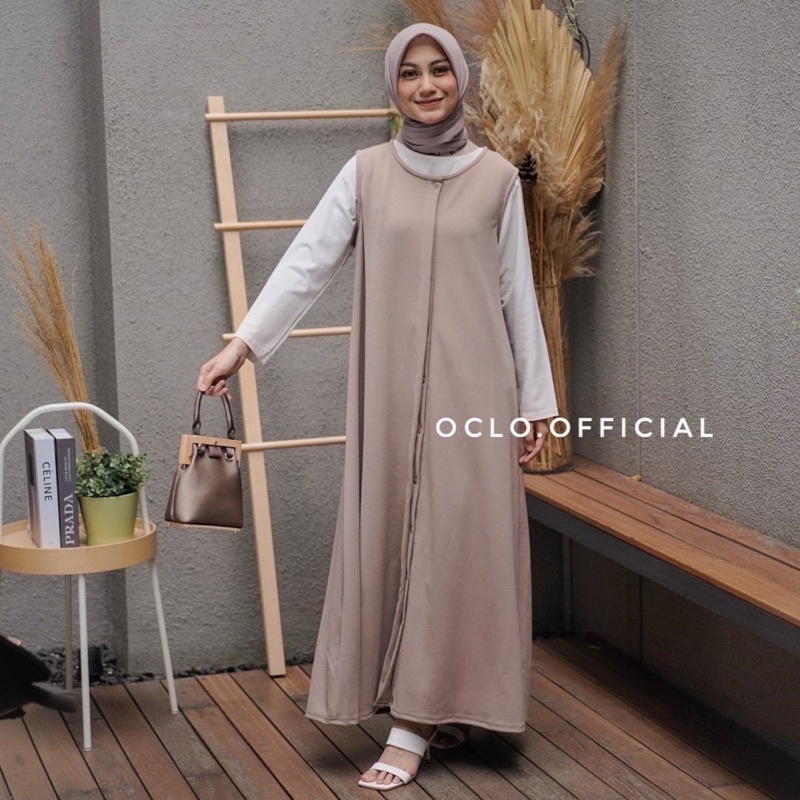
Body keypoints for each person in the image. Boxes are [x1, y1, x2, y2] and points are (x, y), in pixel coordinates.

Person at [197, 22, 558, 792]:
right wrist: (242, 347)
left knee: (459, 545)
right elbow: (306, 263)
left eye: (440, 70)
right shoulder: (365, 173)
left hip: (474, 391)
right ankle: (428, 707)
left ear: (461, 79)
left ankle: (415, 723)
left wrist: (535, 404)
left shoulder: (497, 180)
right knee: (398, 534)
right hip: (390, 395)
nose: (427, 85)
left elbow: (516, 296)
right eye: (410, 73)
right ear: (393, 86)